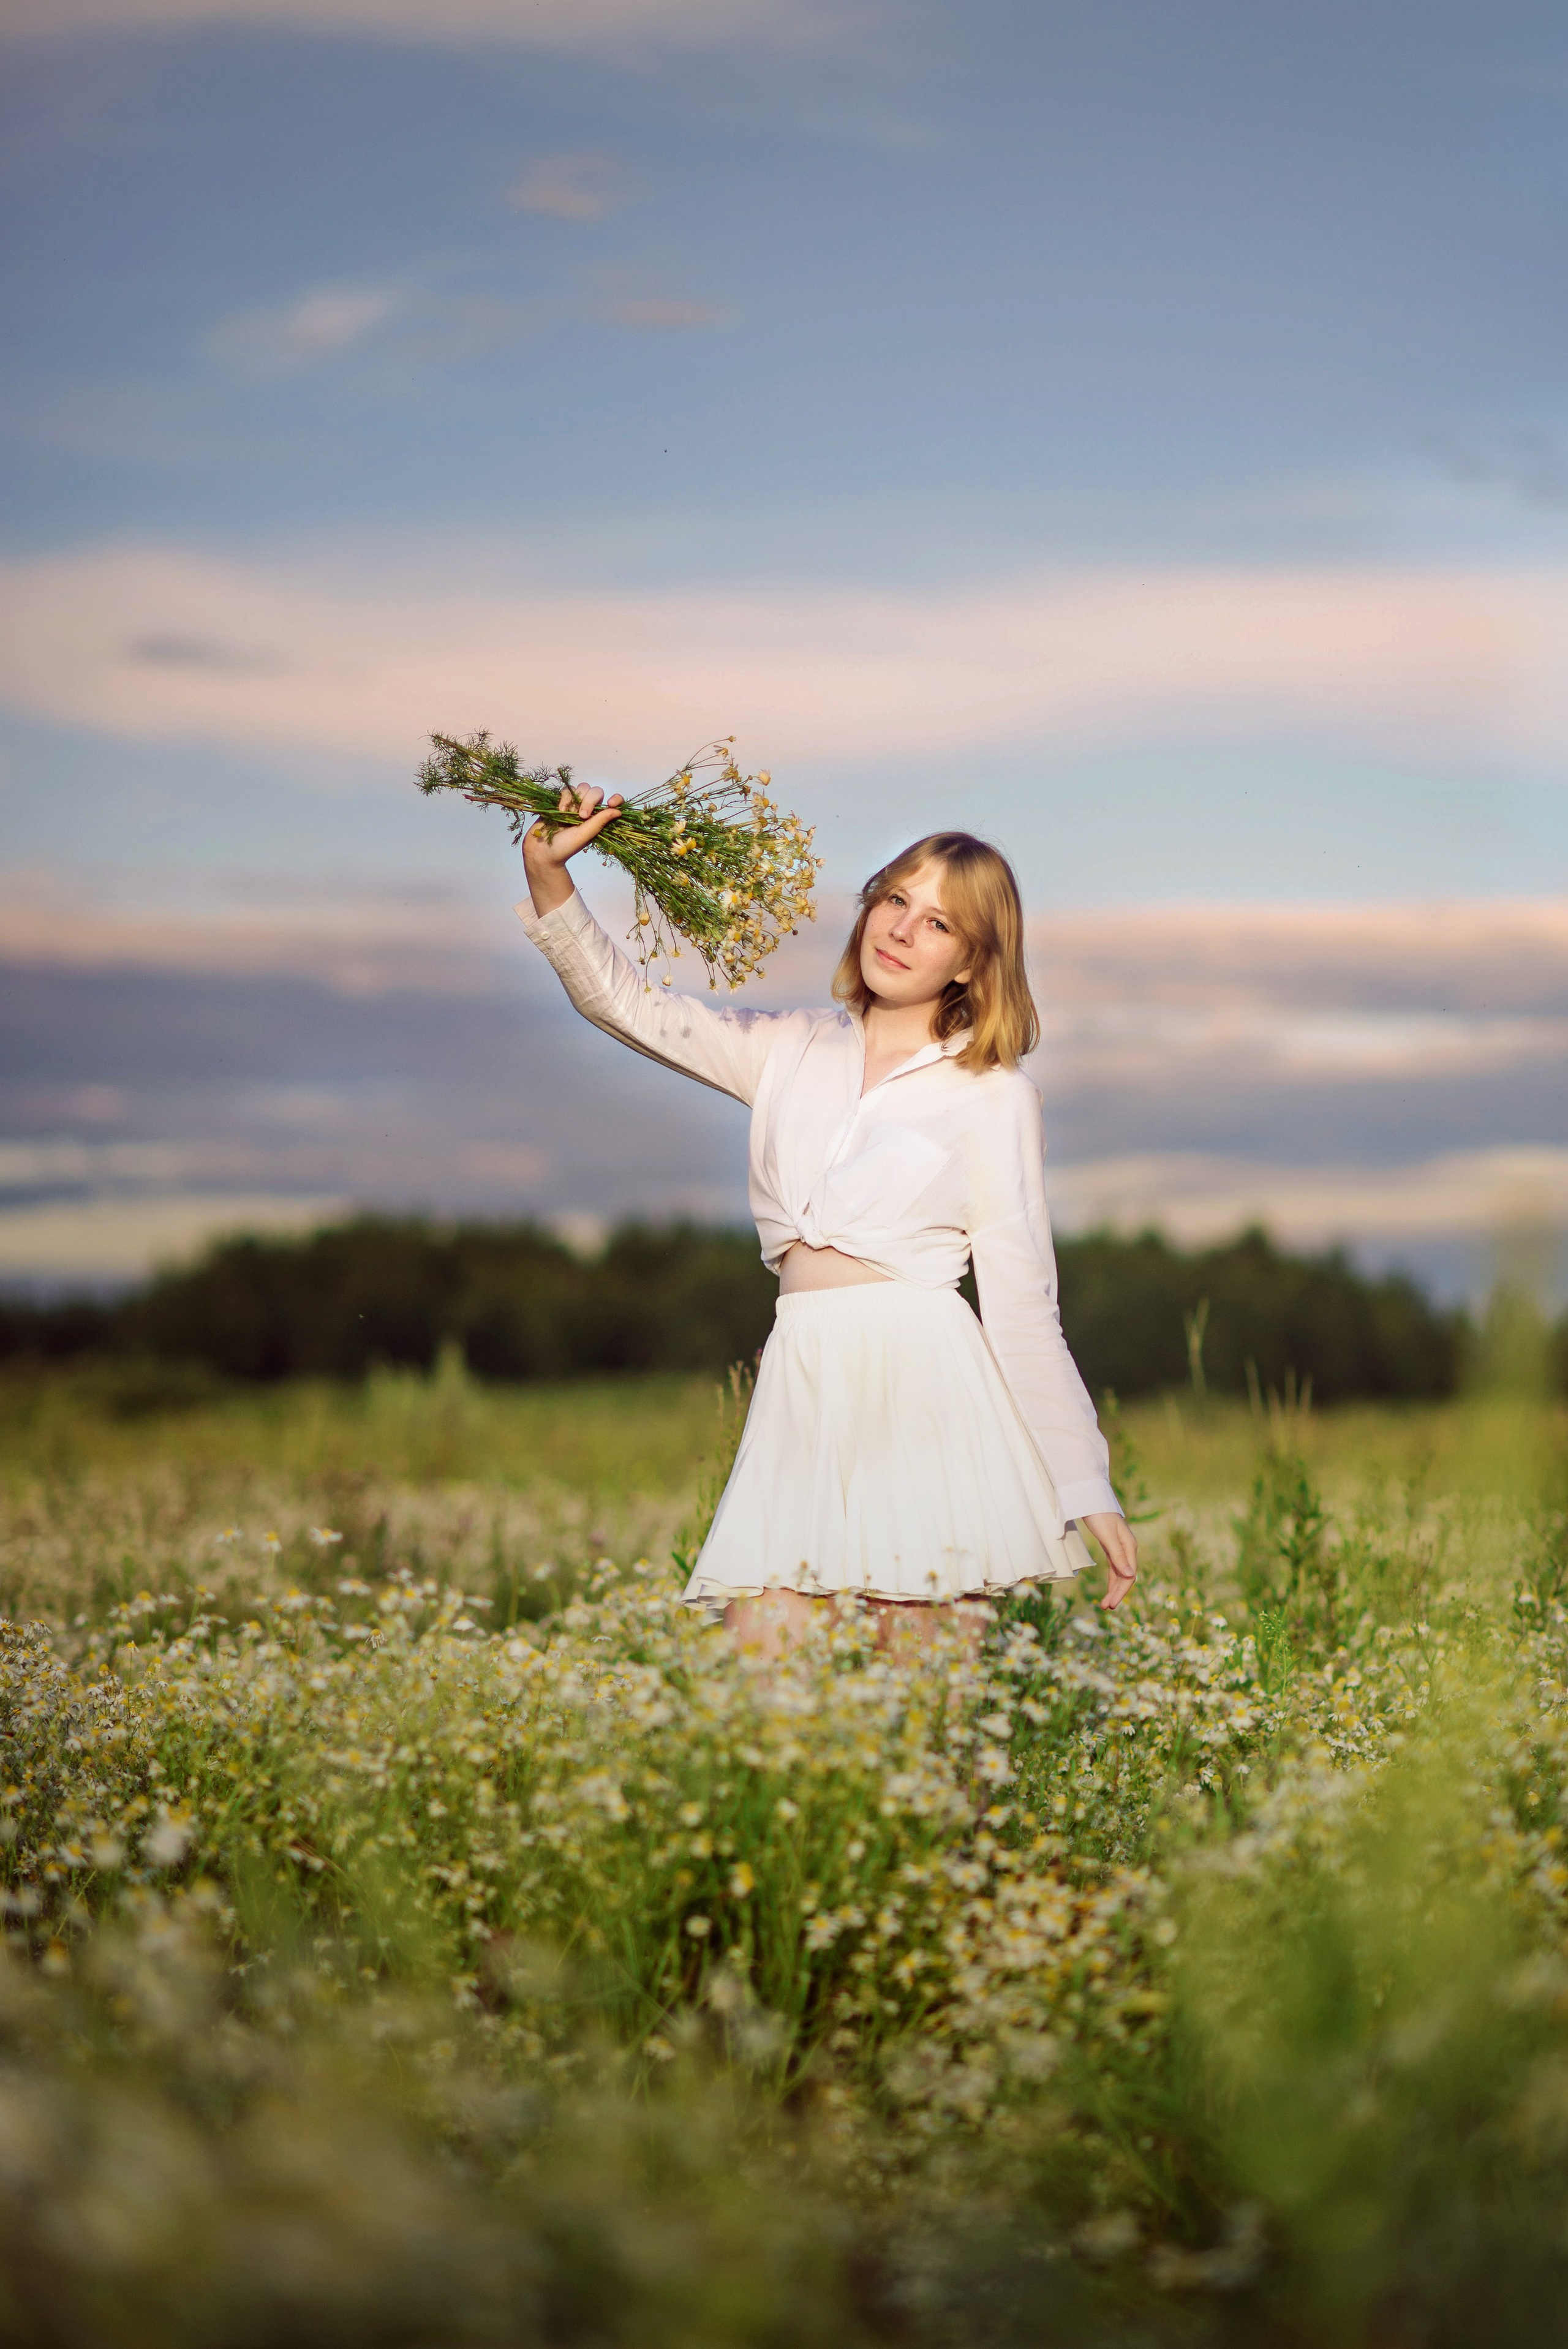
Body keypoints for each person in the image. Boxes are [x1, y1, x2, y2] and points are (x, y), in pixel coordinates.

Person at [518, 786, 1137, 1656]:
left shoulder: (995, 1097)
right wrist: (549, 877)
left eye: (938, 924)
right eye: (896, 901)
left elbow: (1024, 1308)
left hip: (927, 1389)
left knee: (920, 1694)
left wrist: (1085, 1484)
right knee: (765, 1672)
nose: (902, 930)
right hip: (804, 1377)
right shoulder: (789, 1046)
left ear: (971, 963)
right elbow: (629, 1008)